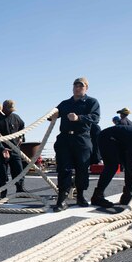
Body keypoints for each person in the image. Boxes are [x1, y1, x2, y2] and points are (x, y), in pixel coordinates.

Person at [51, 77, 101, 212]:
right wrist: (51, 115)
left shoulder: (92, 102)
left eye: (81, 86)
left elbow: (96, 118)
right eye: (75, 85)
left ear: (86, 88)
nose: (78, 88)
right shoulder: (65, 103)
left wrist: (79, 118)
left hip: (82, 139)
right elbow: (54, 114)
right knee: (64, 168)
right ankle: (61, 199)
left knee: (82, 168)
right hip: (65, 139)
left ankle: (81, 196)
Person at [0, 99, 26, 195]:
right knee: (2, 172)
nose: (11, 111)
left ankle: (20, 188)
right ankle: (3, 191)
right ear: (4, 108)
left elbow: (22, 127)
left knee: (18, 169)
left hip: (15, 148)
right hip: (2, 150)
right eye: (9, 109)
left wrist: (21, 137)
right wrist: (1, 148)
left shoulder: (16, 118)